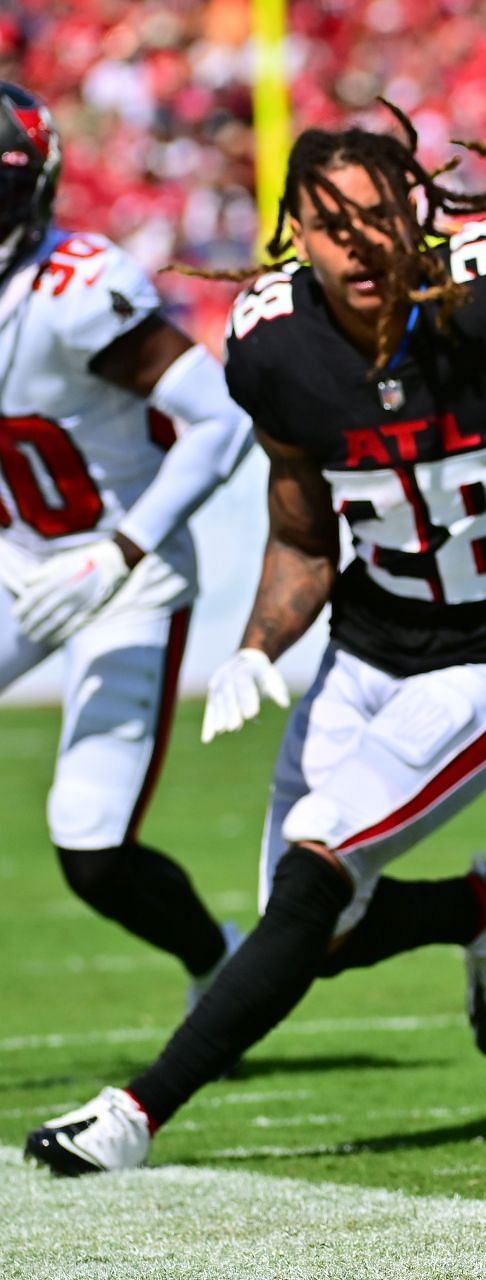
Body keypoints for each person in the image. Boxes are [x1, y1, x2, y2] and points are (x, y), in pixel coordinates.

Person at [24, 104, 486, 1176]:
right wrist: (254, 645)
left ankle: (134, 1115)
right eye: (331, 224)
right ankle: (485, 904)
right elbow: (300, 531)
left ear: (416, 215)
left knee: (318, 864)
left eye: (379, 216)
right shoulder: (277, 349)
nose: (359, 242)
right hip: (367, 646)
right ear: (293, 230)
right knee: (315, 932)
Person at [0, 83, 253, 1009]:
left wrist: (122, 551)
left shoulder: (77, 289)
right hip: (15, 557)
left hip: (123, 573)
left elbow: (219, 421)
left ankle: (216, 961)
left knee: (92, 850)